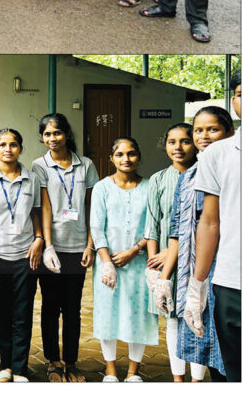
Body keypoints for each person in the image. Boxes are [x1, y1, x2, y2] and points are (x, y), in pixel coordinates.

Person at [153, 106, 234, 382]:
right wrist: (164, 278)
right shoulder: (188, 177)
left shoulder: (234, 169)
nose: (204, 136)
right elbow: (179, 230)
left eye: (213, 129)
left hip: (225, 272)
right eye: (198, 130)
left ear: (229, 132)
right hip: (193, 273)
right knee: (206, 344)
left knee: (229, 349)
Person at [32, 113, 98, 383]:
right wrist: (48, 246)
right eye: (47, 134)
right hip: (53, 247)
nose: (52, 139)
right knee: (50, 306)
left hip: (78, 246)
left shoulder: (86, 165)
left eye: (56, 133)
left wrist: (91, 245)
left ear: (67, 134)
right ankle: (53, 361)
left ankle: (71, 362)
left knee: (73, 308)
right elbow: (43, 207)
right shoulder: (39, 166)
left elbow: (93, 207)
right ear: (41, 138)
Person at [0, 128, 43, 382]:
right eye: (2, 145)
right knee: (1, 314)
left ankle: (20, 369)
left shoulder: (32, 178)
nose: (8, 149)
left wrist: (39, 239)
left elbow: (36, 212)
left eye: (13, 144)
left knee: (22, 313)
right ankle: (6, 366)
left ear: (20, 149)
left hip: (26, 256)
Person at [90, 137, 158, 382]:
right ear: (111, 158)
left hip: (140, 263)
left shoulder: (152, 186)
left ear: (139, 156)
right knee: (107, 313)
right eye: (119, 154)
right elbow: (97, 227)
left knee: (139, 314)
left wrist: (134, 250)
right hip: (108, 262)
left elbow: (153, 226)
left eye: (131, 154)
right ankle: (110, 369)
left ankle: (133, 371)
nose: (125, 159)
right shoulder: (101, 188)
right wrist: (106, 262)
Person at [189, 71, 241, 382]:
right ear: (234, 101)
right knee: (237, 372)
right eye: (241, 92)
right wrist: (197, 285)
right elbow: (209, 221)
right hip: (232, 282)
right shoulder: (219, 154)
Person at [143, 122, 201, 382]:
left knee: (199, 318)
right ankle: (178, 379)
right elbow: (152, 225)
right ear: (165, 145)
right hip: (166, 268)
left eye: (185, 140)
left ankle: (198, 379)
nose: (178, 147)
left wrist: (173, 251)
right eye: (172, 141)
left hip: (198, 261)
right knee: (174, 319)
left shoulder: (205, 174)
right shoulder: (158, 179)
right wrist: (154, 267)